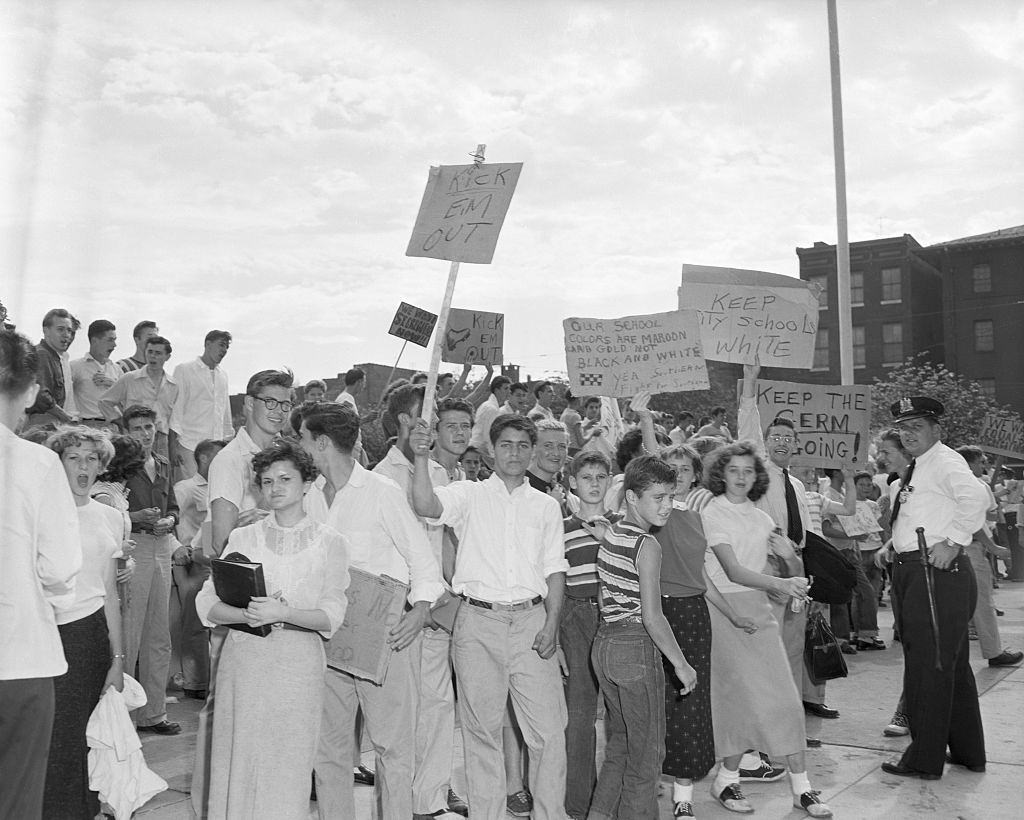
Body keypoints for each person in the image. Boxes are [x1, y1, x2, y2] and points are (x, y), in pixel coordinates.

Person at [411, 413, 570, 820]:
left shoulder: (546, 506)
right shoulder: (468, 495)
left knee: (549, 734)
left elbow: (554, 568)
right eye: (505, 445)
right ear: (491, 451)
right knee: (482, 734)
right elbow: (426, 504)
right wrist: (419, 456)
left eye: (522, 446)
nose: (514, 453)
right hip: (477, 624)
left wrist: (552, 623)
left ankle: (549, 814)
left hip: (533, 623)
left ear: (532, 452)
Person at [296, 401, 444, 820]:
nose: (299, 445)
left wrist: (419, 611)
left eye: (303, 438)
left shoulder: (382, 492)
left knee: (392, 750)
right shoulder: (307, 498)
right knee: (329, 752)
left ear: (321, 442)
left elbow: (424, 562)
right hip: (327, 641)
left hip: (385, 640)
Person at [195, 441, 350, 819]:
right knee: (241, 757)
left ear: (307, 482)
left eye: (285, 478)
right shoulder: (242, 538)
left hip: (298, 666)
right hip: (245, 662)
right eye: (266, 481)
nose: (275, 487)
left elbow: (332, 615)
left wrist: (285, 612)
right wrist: (247, 615)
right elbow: (206, 603)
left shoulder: (331, 543)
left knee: (288, 763)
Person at [701, 442, 831, 817]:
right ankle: (728, 778)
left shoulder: (761, 519)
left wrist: (790, 559)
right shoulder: (713, 514)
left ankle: (801, 787)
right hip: (724, 612)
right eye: (734, 470)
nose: (741, 478)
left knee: (785, 699)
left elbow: (788, 575)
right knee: (738, 702)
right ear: (721, 475)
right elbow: (733, 571)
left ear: (758, 477)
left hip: (761, 611)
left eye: (748, 471)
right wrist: (779, 584)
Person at [191, 368, 294, 818]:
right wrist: (265, 519)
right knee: (223, 708)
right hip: (239, 598)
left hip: (281, 598)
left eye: (285, 404)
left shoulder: (285, 455)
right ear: (247, 404)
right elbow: (220, 540)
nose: (277, 411)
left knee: (266, 714)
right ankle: (208, 803)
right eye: (269, 401)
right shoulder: (231, 460)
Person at [880, 396, 989, 780]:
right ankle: (968, 751)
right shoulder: (922, 466)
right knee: (952, 666)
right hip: (920, 570)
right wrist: (893, 545)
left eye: (917, 427)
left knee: (929, 666)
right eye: (904, 429)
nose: (909, 435)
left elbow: (978, 497)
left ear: (936, 430)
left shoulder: (943, 460)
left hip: (935, 573)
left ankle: (922, 759)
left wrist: (955, 540)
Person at [372, 384, 468, 819]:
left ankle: (430, 793)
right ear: (405, 422)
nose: (427, 428)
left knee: (438, 704)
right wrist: (422, 601)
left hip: (444, 604)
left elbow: (447, 543)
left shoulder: (443, 474)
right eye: (422, 418)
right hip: (412, 609)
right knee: (410, 711)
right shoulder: (386, 475)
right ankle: (416, 799)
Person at [0, 329, 82, 820]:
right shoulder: (37, 463)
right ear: (31, 392)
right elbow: (60, 566)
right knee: (16, 802)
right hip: (21, 658)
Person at [588, 456, 697, 820]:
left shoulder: (614, 530)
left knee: (620, 745)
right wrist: (681, 664)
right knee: (647, 756)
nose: (667, 506)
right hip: (634, 647)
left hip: (604, 646)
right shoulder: (646, 545)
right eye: (658, 498)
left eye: (670, 496)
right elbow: (653, 616)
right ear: (632, 498)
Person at [42, 426, 128, 819]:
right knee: (57, 737)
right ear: (58, 462)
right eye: (73, 457)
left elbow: (111, 593)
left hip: (91, 634)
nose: (83, 466)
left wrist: (118, 657)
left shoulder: (111, 517)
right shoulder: (38, 513)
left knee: (88, 737)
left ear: (101, 466)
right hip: (48, 630)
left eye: (91, 458)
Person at [559, 451, 617, 819]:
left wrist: (608, 538)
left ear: (610, 482)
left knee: (620, 714)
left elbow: (634, 572)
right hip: (575, 619)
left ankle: (614, 799)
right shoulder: (560, 527)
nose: (594, 483)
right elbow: (556, 582)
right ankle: (579, 805)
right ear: (573, 483)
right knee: (579, 717)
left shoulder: (621, 525)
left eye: (601, 476)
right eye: (586, 477)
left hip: (614, 620)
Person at [120, 403, 181, 735]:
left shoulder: (164, 462)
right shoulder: (118, 465)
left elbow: (173, 506)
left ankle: (154, 713)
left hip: (161, 548)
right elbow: (108, 510)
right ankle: (124, 717)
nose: (145, 434)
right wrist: (136, 518)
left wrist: (170, 520)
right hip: (134, 546)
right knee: (129, 635)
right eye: (138, 428)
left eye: (149, 427)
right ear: (126, 431)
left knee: (159, 636)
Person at [955, 446, 1022, 668]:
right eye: (980, 461)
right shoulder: (968, 485)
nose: (984, 465)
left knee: (957, 603)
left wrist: (989, 499)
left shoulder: (971, 485)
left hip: (956, 549)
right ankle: (993, 651)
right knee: (982, 602)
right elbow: (972, 523)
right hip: (970, 548)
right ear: (968, 463)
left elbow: (991, 513)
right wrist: (993, 547)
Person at [170, 438, 227, 700]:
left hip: (213, 558)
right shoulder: (185, 488)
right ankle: (195, 683)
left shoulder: (223, 486)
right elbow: (170, 517)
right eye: (218, 455)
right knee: (194, 623)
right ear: (203, 459)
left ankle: (209, 681)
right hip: (190, 561)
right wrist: (179, 549)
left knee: (211, 623)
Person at [169, 330, 233, 482]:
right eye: (221, 345)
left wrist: (229, 442)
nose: (224, 350)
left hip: (217, 449)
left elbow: (225, 412)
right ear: (208, 344)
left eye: (226, 347)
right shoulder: (184, 370)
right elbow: (176, 409)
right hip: (190, 445)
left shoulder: (223, 375)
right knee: (191, 494)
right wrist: (172, 446)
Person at [99, 334, 178, 456]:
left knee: (160, 472)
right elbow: (104, 402)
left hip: (161, 439)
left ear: (167, 357)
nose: (153, 356)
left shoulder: (173, 385)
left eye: (158, 353)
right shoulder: (129, 378)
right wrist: (120, 421)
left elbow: (175, 419)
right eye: (150, 351)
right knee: (134, 471)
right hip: (135, 437)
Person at [25, 307, 80, 428]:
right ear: (46, 331)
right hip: (42, 422)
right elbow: (41, 395)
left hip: (51, 421)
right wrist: (66, 417)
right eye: (60, 329)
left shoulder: (56, 357)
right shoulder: (42, 354)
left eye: (69, 331)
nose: (67, 335)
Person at [70, 319, 120, 428]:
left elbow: (126, 401)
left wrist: (113, 385)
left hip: (114, 427)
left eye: (115, 340)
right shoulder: (75, 367)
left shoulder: (117, 369)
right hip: (87, 427)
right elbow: (65, 396)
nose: (115, 345)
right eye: (110, 340)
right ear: (94, 341)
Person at [468, 374, 511, 464]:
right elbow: (488, 436)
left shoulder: (490, 406)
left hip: (479, 450)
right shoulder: (491, 408)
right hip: (477, 452)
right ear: (497, 390)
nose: (509, 392)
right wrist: (494, 458)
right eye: (505, 388)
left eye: (509, 389)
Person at [560, 390, 585, 456]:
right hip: (574, 451)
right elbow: (581, 442)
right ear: (577, 398)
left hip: (567, 449)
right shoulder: (575, 416)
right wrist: (593, 433)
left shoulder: (565, 414)